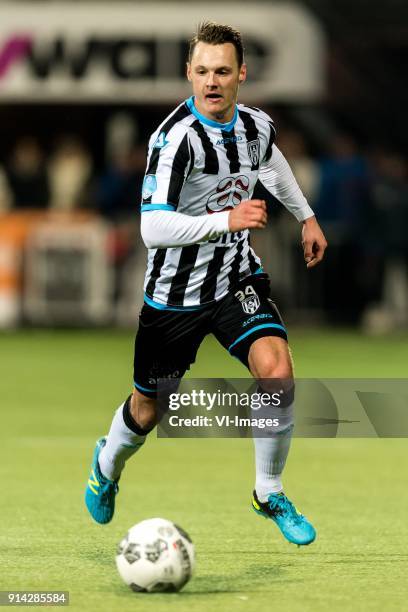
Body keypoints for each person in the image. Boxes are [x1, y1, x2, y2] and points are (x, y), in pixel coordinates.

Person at [85, 22, 327, 546]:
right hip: (174, 295)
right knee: (146, 409)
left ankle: (269, 491)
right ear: (188, 74)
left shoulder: (256, 126)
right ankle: (106, 465)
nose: (211, 82)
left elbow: (271, 161)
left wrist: (305, 215)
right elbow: (153, 228)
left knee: (278, 372)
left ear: (242, 74)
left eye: (222, 71)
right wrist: (227, 220)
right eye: (201, 72)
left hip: (236, 277)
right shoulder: (174, 141)